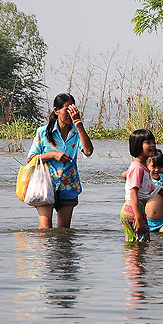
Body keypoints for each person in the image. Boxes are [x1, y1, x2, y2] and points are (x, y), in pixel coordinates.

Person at [27, 93, 94, 229]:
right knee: (45, 233)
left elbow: (88, 151)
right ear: (56, 111)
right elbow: (31, 159)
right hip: (45, 186)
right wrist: (52, 155)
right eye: (66, 109)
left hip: (68, 186)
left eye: (72, 109)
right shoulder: (43, 133)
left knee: (64, 233)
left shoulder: (76, 133)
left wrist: (79, 123)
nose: (70, 113)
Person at [121, 129, 161, 242]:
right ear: (137, 146)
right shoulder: (137, 167)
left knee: (136, 243)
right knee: (140, 244)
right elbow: (133, 192)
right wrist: (138, 217)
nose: (153, 145)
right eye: (148, 143)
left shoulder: (141, 167)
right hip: (134, 209)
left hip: (135, 209)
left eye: (153, 142)